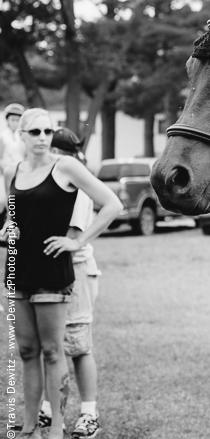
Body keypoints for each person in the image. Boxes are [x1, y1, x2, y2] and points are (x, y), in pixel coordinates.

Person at [1, 110, 122, 439]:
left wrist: (78, 240)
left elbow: (112, 204)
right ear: (21, 135)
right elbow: (11, 217)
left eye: (47, 131)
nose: (42, 137)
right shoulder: (11, 170)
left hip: (53, 273)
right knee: (26, 352)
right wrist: (8, 228)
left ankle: (56, 428)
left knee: (54, 352)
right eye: (35, 131)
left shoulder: (65, 166)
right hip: (16, 272)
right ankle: (28, 427)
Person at [34, 129, 104, 439]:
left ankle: (89, 413)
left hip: (74, 271)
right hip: (48, 272)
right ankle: (49, 408)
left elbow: (71, 237)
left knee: (77, 346)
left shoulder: (73, 183)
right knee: (52, 346)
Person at [1, 102, 26, 169]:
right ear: (7, 120)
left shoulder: (23, 136)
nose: (15, 123)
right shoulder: (3, 136)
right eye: (12, 120)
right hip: (5, 171)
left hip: (20, 170)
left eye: (17, 120)